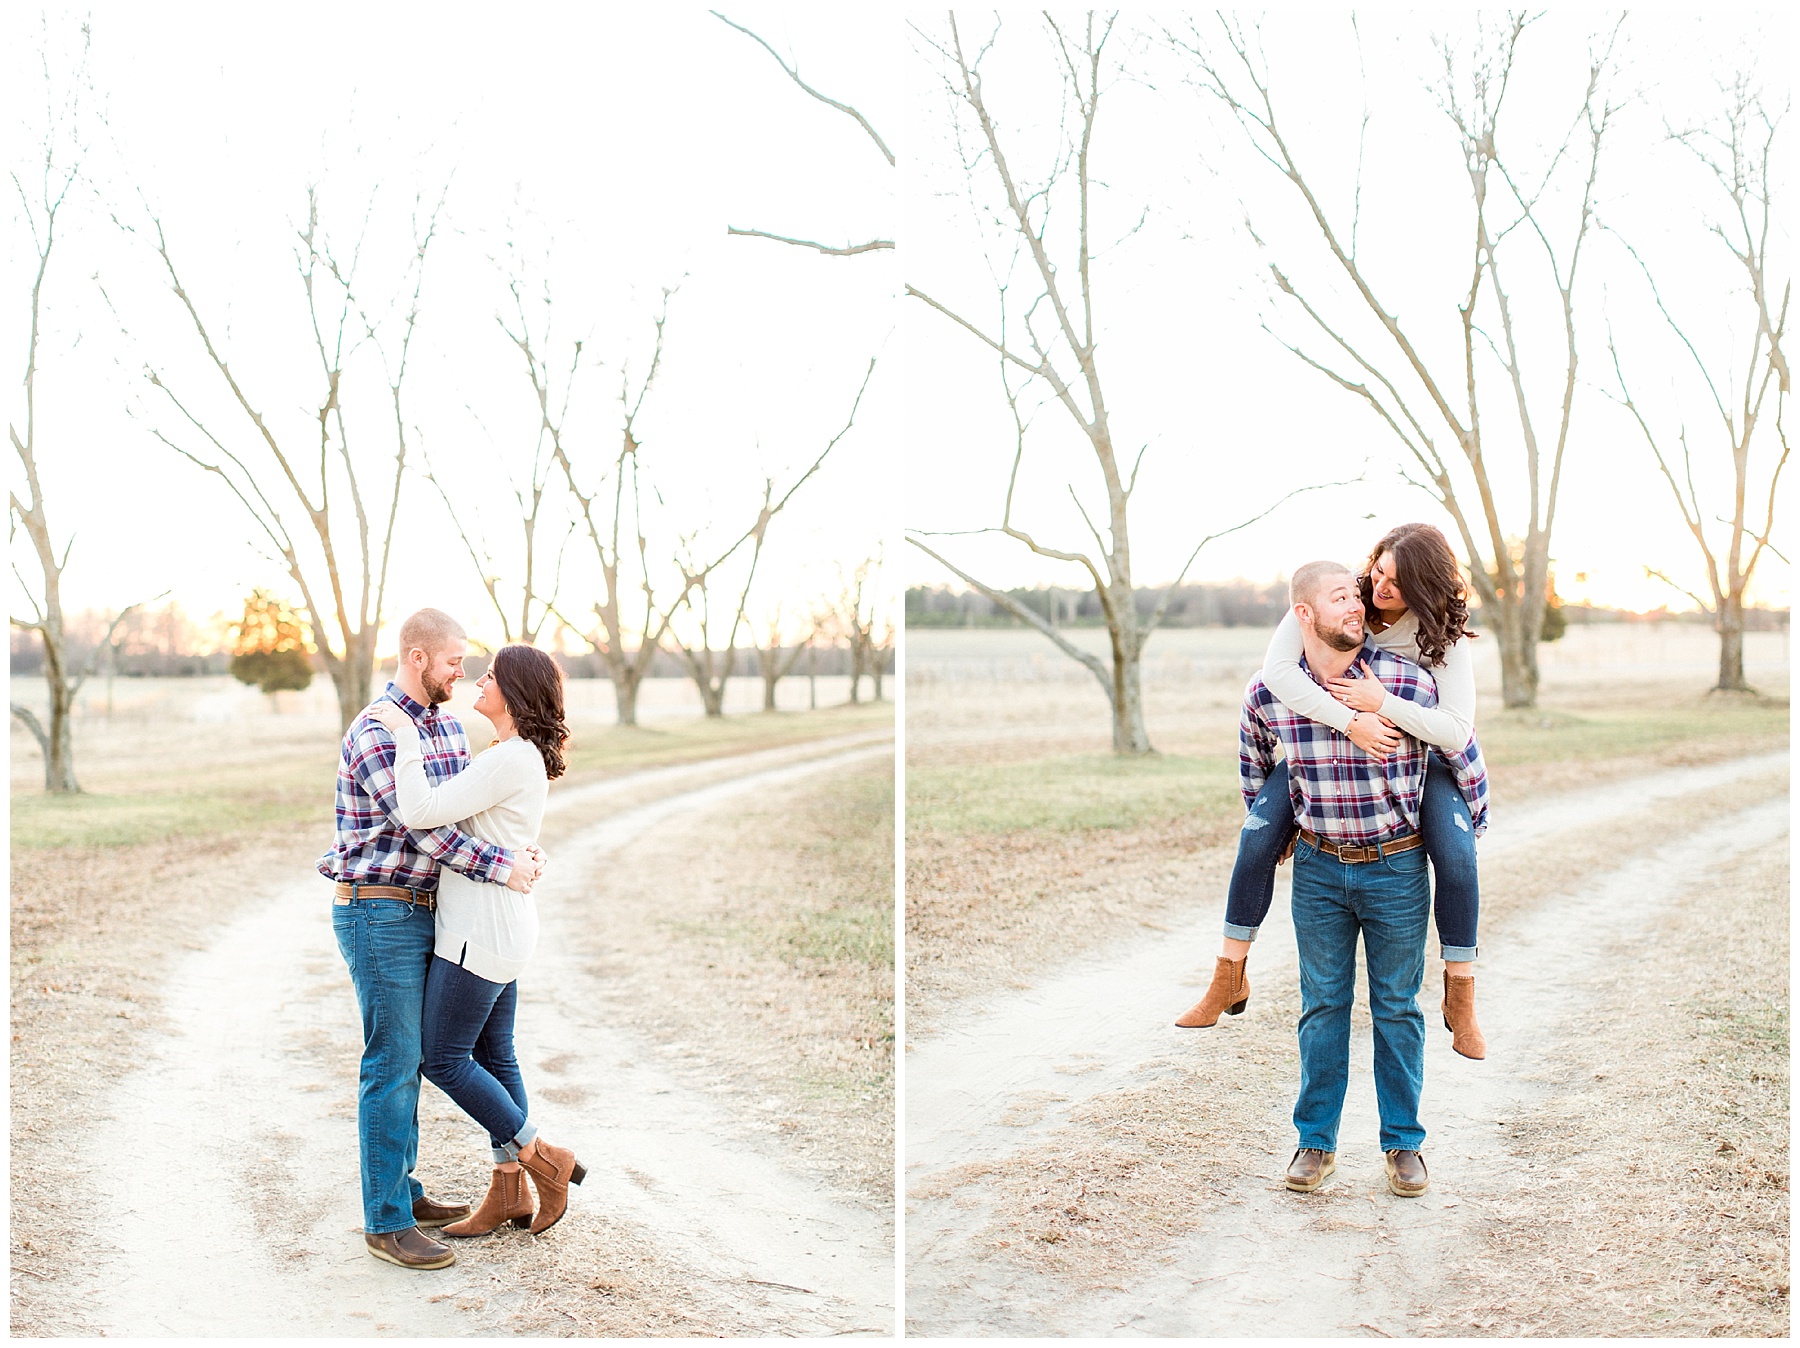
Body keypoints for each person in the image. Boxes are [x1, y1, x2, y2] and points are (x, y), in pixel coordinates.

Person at [1177, 523, 1491, 1059]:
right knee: (1255, 840)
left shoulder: (1441, 635)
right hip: (1334, 737)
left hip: (1422, 752)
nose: (1378, 587)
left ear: (1426, 587)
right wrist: (1351, 721)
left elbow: (1456, 730)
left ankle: (1460, 995)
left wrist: (1380, 704)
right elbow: (1276, 671)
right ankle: (1229, 973)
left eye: (1398, 582)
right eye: (1378, 570)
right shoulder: (1344, 596)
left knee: (1458, 860)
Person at [1234, 561, 1487, 1196]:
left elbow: (1461, 752)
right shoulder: (1270, 691)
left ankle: (1404, 1145)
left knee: (1397, 1010)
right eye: (1343, 596)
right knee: (1322, 1007)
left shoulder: (1406, 682)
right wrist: (1279, 830)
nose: (1360, 603)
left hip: (1397, 868)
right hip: (1319, 871)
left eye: (1361, 595)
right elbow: (1254, 766)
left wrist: (1465, 824)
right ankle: (1314, 1143)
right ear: (1304, 616)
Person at [319, 608, 546, 1271]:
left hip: (432, 912)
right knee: (392, 1061)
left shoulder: (448, 727)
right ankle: (385, 1222)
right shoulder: (374, 731)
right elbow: (425, 830)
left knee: (417, 1056)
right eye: (454, 662)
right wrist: (503, 867)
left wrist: (518, 850)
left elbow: (467, 814)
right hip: (379, 910)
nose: (464, 673)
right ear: (418, 659)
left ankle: (404, 1192)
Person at [367, 641, 587, 1240]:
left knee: (443, 1058)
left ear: (514, 694)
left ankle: (543, 1159)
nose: (478, 682)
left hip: (479, 932)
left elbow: (419, 810)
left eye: (490, 676)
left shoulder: (510, 758)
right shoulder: (512, 756)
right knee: (497, 1056)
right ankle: (509, 1191)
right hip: (504, 924)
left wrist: (404, 734)